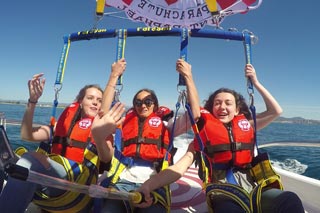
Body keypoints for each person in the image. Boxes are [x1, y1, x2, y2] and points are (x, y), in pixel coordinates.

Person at [136, 64, 305, 212]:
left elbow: (276, 111)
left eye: (228, 103)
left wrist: (256, 82)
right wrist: (149, 185)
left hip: (255, 187)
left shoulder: (247, 125)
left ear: (237, 110)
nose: (222, 107)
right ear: (211, 108)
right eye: (217, 103)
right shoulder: (203, 136)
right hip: (223, 191)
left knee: (289, 200)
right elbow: (179, 169)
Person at [0, 73, 125, 213]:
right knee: (6, 162)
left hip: (79, 191)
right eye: (90, 98)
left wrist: (99, 137)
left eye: (99, 100)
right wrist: (32, 101)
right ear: (80, 102)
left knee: (31, 160)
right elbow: (26, 134)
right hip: (53, 185)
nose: (95, 102)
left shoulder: (102, 129)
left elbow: (106, 158)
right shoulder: (62, 125)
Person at [90, 58, 200, 212]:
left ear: (155, 104)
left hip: (154, 183)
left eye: (148, 101)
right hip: (122, 182)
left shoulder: (166, 125)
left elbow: (194, 114)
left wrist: (188, 76)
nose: (143, 105)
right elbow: (103, 113)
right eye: (138, 102)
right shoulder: (123, 123)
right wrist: (114, 75)